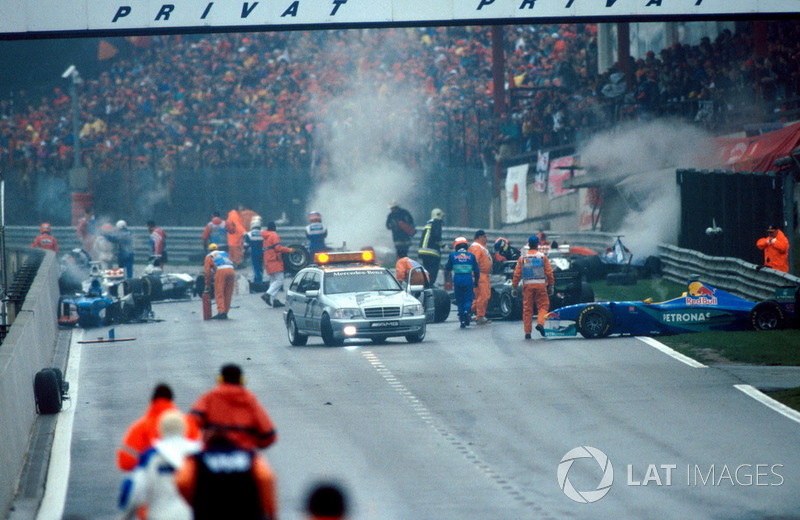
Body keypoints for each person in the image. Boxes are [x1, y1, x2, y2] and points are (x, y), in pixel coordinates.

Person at [117, 411, 201, 520]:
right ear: (185, 430)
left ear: (160, 431)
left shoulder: (151, 456)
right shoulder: (201, 453)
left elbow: (135, 489)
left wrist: (124, 516)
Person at [175, 433, 278, 520]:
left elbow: (183, 482)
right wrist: (271, 513)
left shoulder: (196, 459)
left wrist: (196, 501)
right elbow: (266, 478)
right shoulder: (251, 457)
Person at [188, 364, 278, 451]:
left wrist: (201, 443)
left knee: (186, 466)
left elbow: (191, 423)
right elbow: (268, 434)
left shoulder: (209, 397)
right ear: (242, 380)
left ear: (220, 379)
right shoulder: (250, 400)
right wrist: (254, 444)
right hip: (243, 452)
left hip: (213, 452)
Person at [117, 384, 201, 472]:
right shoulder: (188, 424)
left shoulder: (139, 427)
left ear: (152, 400)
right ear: (171, 400)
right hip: (183, 479)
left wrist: (145, 465)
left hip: (153, 480)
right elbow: (199, 453)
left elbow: (125, 462)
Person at [511, 235, 555, 339]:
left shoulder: (522, 258)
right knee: (543, 306)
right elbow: (549, 272)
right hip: (540, 285)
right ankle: (540, 323)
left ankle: (527, 332)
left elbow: (517, 274)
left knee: (527, 309)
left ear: (528, 244)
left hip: (527, 285)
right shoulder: (542, 257)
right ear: (538, 245)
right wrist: (551, 285)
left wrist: (514, 286)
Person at [444, 237, 480, 328]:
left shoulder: (452, 256)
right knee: (468, 298)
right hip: (468, 278)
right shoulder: (471, 256)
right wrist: (476, 281)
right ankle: (466, 311)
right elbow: (476, 270)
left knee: (459, 299)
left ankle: (462, 319)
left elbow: (447, 268)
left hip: (457, 278)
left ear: (456, 246)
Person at [261, 221, 294, 308]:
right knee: (280, 280)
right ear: (274, 228)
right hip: (275, 260)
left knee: (273, 281)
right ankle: (267, 294)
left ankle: (275, 300)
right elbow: (278, 248)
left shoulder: (265, 237)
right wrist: (289, 250)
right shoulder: (274, 235)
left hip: (268, 260)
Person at [204, 243, 236, 320]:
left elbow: (207, 272)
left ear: (209, 250)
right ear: (217, 249)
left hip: (221, 271)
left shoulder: (209, 256)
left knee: (219, 292)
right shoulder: (224, 253)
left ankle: (221, 312)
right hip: (231, 270)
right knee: (228, 292)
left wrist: (207, 283)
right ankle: (225, 312)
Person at [468, 230, 493, 325]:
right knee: (483, 296)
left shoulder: (480, 247)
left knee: (481, 297)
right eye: (484, 237)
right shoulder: (476, 248)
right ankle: (480, 316)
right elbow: (474, 262)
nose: (486, 239)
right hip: (480, 275)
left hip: (483, 275)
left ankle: (468, 311)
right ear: (479, 237)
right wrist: (475, 275)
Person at [417, 208, 445, 285]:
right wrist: (444, 246)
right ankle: (430, 285)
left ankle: (426, 285)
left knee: (427, 270)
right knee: (433, 270)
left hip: (423, 251)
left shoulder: (428, 223)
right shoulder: (437, 222)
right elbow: (437, 236)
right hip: (432, 252)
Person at [244, 216, 264, 284]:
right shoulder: (263, 233)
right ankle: (260, 277)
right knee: (261, 266)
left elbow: (246, 245)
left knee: (256, 266)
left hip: (254, 252)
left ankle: (258, 280)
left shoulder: (249, 234)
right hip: (262, 251)